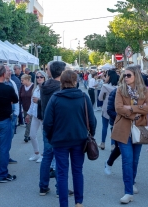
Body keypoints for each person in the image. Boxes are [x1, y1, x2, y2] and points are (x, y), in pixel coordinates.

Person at [44, 70, 96, 207]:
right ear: (76, 81)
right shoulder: (83, 98)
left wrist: (51, 137)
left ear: (61, 82)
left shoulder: (55, 98)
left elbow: (47, 122)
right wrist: (91, 135)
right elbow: (92, 121)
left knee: (62, 173)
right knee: (77, 171)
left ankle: (64, 204)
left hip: (60, 141)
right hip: (79, 139)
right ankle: (79, 202)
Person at [112, 66, 148, 204]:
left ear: (136, 76)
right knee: (127, 160)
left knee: (135, 160)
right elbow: (118, 108)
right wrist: (136, 112)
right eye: (124, 75)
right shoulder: (120, 89)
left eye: (128, 75)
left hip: (139, 129)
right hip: (123, 130)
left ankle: (132, 181)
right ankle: (128, 192)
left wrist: (131, 108)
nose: (125, 78)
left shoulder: (144, 90)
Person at [39, 61, 74, 198]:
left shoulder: (44, 86)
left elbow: (42, 106)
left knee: (47, 156)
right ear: (62, 72)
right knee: (60, 158)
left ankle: (43, 186)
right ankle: (61, 189)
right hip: (59, 127)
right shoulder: (61, 88)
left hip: (47, 126)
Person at [104, 73, 125, 175]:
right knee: (119, 148)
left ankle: (130, 177)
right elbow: (110, 110)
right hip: (117, 125)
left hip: (133, 126)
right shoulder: (115, 92)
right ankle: (109, 163)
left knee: (129, 151)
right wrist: (121, 117)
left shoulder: (136, 93)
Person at [26, 71, 47, 162]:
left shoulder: (47, 89)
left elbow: (49, 102)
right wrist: (28, 114)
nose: (39, 78)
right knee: (32, 135)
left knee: (44, 136)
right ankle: (36, 153)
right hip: (35, 115)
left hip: (43, 115)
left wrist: (39, 100)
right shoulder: (35, 89)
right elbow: (32, 103)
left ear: (45, 78)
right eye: (37, 77)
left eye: (41, 77)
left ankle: (43, 155)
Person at [98, 70, 119, 150]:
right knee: (113, 127)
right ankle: (113, 145)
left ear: (109, 77)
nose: (105, 77)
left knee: (104, 127)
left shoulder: (105, 86)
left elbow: (100, 98)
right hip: (114, 109)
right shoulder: (119, 88)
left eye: (106, 76)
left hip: (106, 108)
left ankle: (102, 143)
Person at [4, 66, 20, 164]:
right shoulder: (0, 83)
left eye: (10, 71)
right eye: (8, 71)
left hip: (13, 114)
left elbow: (17, 98)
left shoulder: (12, 83)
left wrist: (17, 112)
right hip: (4, 115)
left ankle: (7, 156)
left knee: (10, 137)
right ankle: (4, 158)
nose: (10, 72)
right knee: (5, 138)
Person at [20, 74, 35, 143]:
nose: (21, 82)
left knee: (29, 121)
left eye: (22, 80)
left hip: (32, 108)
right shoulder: (22, 87)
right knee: (27, 122)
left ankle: (26, 135)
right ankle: (30, 135)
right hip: (25, 108)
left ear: (27, 80)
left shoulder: (33, 87)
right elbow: (20, 97)